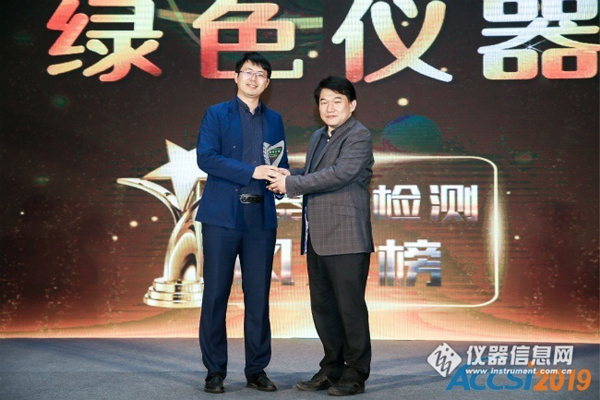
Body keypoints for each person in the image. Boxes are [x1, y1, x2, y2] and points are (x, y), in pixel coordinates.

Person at [268, 76, 374, 396]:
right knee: (324, 308)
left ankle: (355, 373)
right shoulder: (318, 136)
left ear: (352, 105)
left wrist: (292, 184)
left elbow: (340, 174)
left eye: (337, 101)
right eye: (324, 101)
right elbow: (315, 176)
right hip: (317, 236)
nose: (329, 107)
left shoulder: (359, 135)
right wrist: (289, 176)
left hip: (347, 237)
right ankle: (331, 368)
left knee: (349, 309)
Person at [196, 52, 288, 394]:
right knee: (216, 294)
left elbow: (277, 158)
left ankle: (257, 370)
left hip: (260, 219)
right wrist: (252, 171)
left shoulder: (274, 119)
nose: (253, 78)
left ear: (267, 83)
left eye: (261, 74)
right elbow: (206, 158)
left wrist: (282, 178)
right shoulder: (216, 113)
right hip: (222, 216)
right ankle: (214, 371)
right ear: (236, 77)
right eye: (248, 72)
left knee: (259, 297)